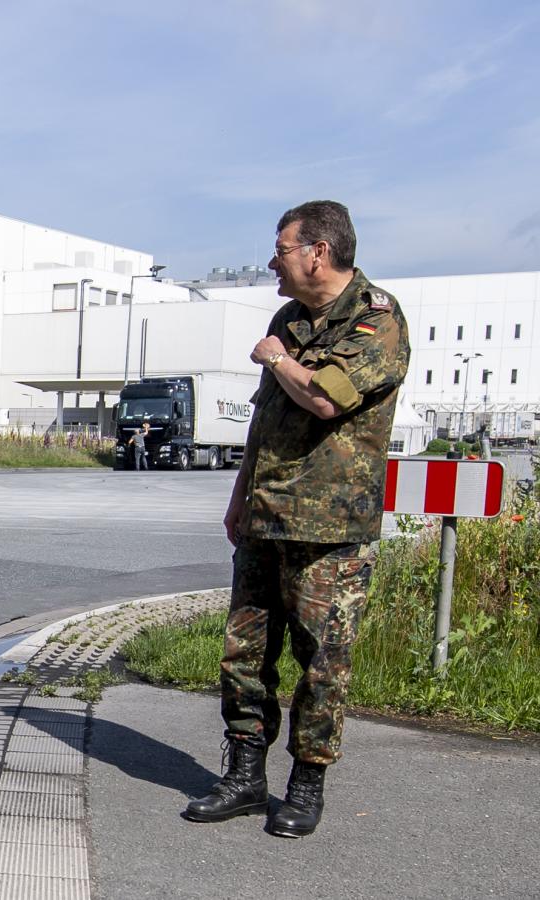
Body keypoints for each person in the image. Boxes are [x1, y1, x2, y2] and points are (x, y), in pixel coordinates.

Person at [184, 200, 409, 838]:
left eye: (281, 250)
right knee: (244, 655)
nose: (272, 263)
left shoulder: (377, 319)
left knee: (321, 661)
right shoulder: (289, 317)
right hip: (266, 515)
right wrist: (238, 494)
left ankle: (305, 785)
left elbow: (324, 398)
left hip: (329, 528)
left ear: (319, 252)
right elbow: (266, 420)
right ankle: (244, 777)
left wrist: (275, 358)